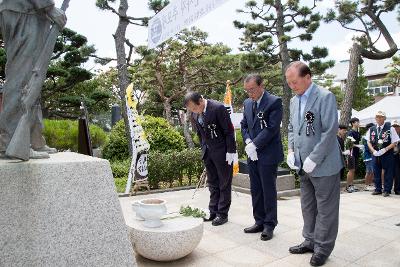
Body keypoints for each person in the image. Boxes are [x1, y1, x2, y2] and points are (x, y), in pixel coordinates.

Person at [286, 61, 343, 267]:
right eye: (289, 83)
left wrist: (314, 158)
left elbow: (330, 131)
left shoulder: (325, 97)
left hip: (324, 164)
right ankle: (309, 240)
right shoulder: (294, 101)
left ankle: (323, 247)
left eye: (295, 82)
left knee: (326, 208)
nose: (292, 86)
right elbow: (292, 128)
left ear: (308, 77)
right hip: (302, 164)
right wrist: (291, 150)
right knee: (308, 206)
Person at [0, 0, 66, 159]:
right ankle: (9, 142)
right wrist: (49, 7)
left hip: (32, 11)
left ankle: (34, 138)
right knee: (22, 76)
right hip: (25, 9)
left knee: (34, 77)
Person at [240, 74, 283, 241]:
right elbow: (244, 125)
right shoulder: (247, 103)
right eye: (247, 90)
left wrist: (255, 144)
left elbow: (272, 128)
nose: (250, 93)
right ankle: (259, 221)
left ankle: (269, 224)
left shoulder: (274, 101)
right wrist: (248, 140)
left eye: (252, 90)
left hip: (268, 153)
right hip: (253, 154)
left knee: (268, 190)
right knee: (256, 189)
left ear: (261, 85)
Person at [185, 92, 237, 226]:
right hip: (208, 153)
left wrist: (231, 151)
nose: (194, 111)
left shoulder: (218, 108)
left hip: (223, 152)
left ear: (201, 101)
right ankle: (213, 211)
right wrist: (204, 147)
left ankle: (222, 214)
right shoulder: (194, 113)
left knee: (224, 183)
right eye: (191, 110)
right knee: (212, 183)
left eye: (195, 108)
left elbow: (229, 131)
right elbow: (200, 133)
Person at [368, 111, 399, 197]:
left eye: (381, 117)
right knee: (376, 171)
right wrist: (373, 150)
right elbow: (368, 141)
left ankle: (387, 190)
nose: (379, 118)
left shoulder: (390, 128)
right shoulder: (372, 129)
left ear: (384, 118)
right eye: (377, 117)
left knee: (388, 172)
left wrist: (385, 149)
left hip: (387, 154)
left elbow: (395, 142)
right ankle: (378, 189)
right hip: (375, 154)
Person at [345, 118, 362, 193]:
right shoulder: (350, 132)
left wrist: (360, 146)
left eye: (358, 121)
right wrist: (358, 146)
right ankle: (348, 186)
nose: (358, 123)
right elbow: (349, 144)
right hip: (351, 153)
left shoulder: (358, 132)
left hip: (356, 153)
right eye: (357, 122)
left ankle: (352, 185)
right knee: (351, 170)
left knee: (353, 170)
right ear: (353, 123)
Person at [362, 123, 375, 191]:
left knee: (372, 171)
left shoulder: (370, 135)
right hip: (368, 156)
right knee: (368, 171)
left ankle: (369, 184)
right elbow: (368, 148)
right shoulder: (366, 136)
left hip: (371, 156)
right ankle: (366, 185)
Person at [391, 120, 400, 195]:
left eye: (397, 126)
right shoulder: (388, 135)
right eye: (393, 126)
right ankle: (387, 188)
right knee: (390, 173)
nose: (395, 128)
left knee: (397, 173)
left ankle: (397, 189)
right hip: (390, 156)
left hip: (397, 156)